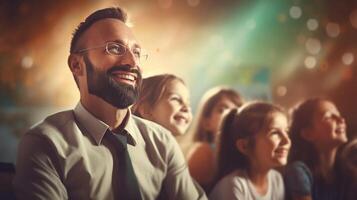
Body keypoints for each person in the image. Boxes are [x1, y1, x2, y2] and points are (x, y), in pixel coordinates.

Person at [13, 7, 206, 200]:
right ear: (77, 65)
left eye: (137, 53)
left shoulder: (162, 142)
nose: (132, 62)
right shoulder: (46, 143)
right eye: (114, 48)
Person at [209, 102, 290, 200]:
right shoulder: (233, 186)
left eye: (286, 131)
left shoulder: (276, 179)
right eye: (274, 133)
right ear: (244, 146)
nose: (287, 141)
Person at [177, 86, 242, 191]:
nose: (231, 115)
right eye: (222, 110)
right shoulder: (204, 151)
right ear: (206, 123)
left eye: (238, 110)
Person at [284, 98, 348, 200]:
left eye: (338, 114)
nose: (341, 119)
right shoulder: (298, 172)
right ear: (307, 134)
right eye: (328, 117)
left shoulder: (347, 173)